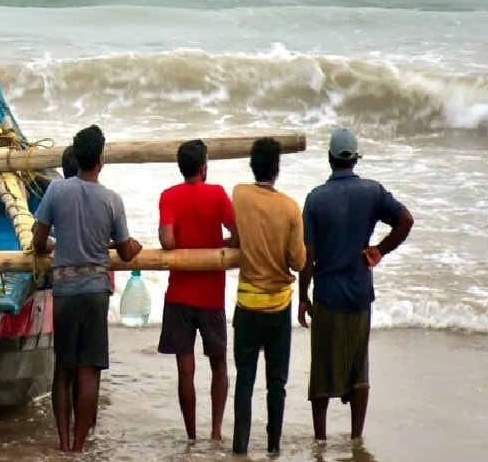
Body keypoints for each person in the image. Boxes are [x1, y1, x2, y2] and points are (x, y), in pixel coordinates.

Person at [298, 129, 414, 442]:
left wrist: (303, 296)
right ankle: (355, 438)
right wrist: (381, 249)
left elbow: (308, 255)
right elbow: (406, 220)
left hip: (327, 294)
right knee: (358, 368)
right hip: (360, 292)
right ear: (355, 159)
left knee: (322, 370)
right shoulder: (373, 192)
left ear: (330, 159)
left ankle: (320, 439)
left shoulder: (316, 199)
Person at [33, 125, 142, 453]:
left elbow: (39, 241)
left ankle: (64, 443)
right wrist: (134, 247)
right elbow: (124, 251)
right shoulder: (112, 200)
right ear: (100, 160)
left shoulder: (55, 191)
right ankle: (79, 447)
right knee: (89, 371)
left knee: (63, 370)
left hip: (65, 290)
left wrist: (53, 245)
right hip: (96, 290)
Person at [157, 139, 238, 443]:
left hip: (178, 294)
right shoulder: (217, 194)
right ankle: (215, 432)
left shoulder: (169, 196)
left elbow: (167, 240)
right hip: (211, 295)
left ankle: (191, 435)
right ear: (204, 167)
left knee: (185, 371)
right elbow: (238, 232)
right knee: (218, 365)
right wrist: (224, 245)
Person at [229, 138, 305, 456]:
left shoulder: (240, 194)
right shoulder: (289, 208)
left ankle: (240, 447)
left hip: (247, 304)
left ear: (252, 166)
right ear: (277, 169)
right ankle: (273, 447)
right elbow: (298, 262)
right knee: (277, 383)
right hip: (277, 306)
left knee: (245, 381)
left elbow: (235, 231)